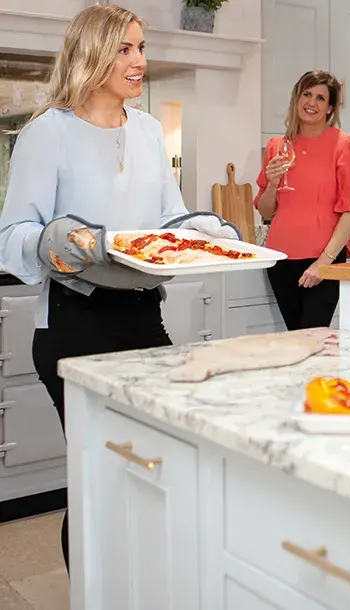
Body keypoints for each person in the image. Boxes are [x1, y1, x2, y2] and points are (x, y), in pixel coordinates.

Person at [0, 4, 239, 572]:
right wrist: (56, 239)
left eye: (142, 48)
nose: (140, 62)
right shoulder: (46, 132)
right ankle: (91, 592)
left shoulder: (150, 130)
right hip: (72, 325)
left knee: (155, 464)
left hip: (142, 319)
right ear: (93, 54)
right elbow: (13, 235)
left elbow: (168, 220)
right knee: (97, 474)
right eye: (126, 49)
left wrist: (204, 231)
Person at [254, 70, 350, 330]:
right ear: (296, 98)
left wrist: (324, 263)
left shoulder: (345, 145)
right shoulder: (277, 146)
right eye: (306, 94)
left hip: (324, 259)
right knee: (296, 340)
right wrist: (272, 184)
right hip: (280, 258)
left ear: (329, 108)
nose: (311, 103)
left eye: (320, 98)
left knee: (313, 339)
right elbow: (266, 209)